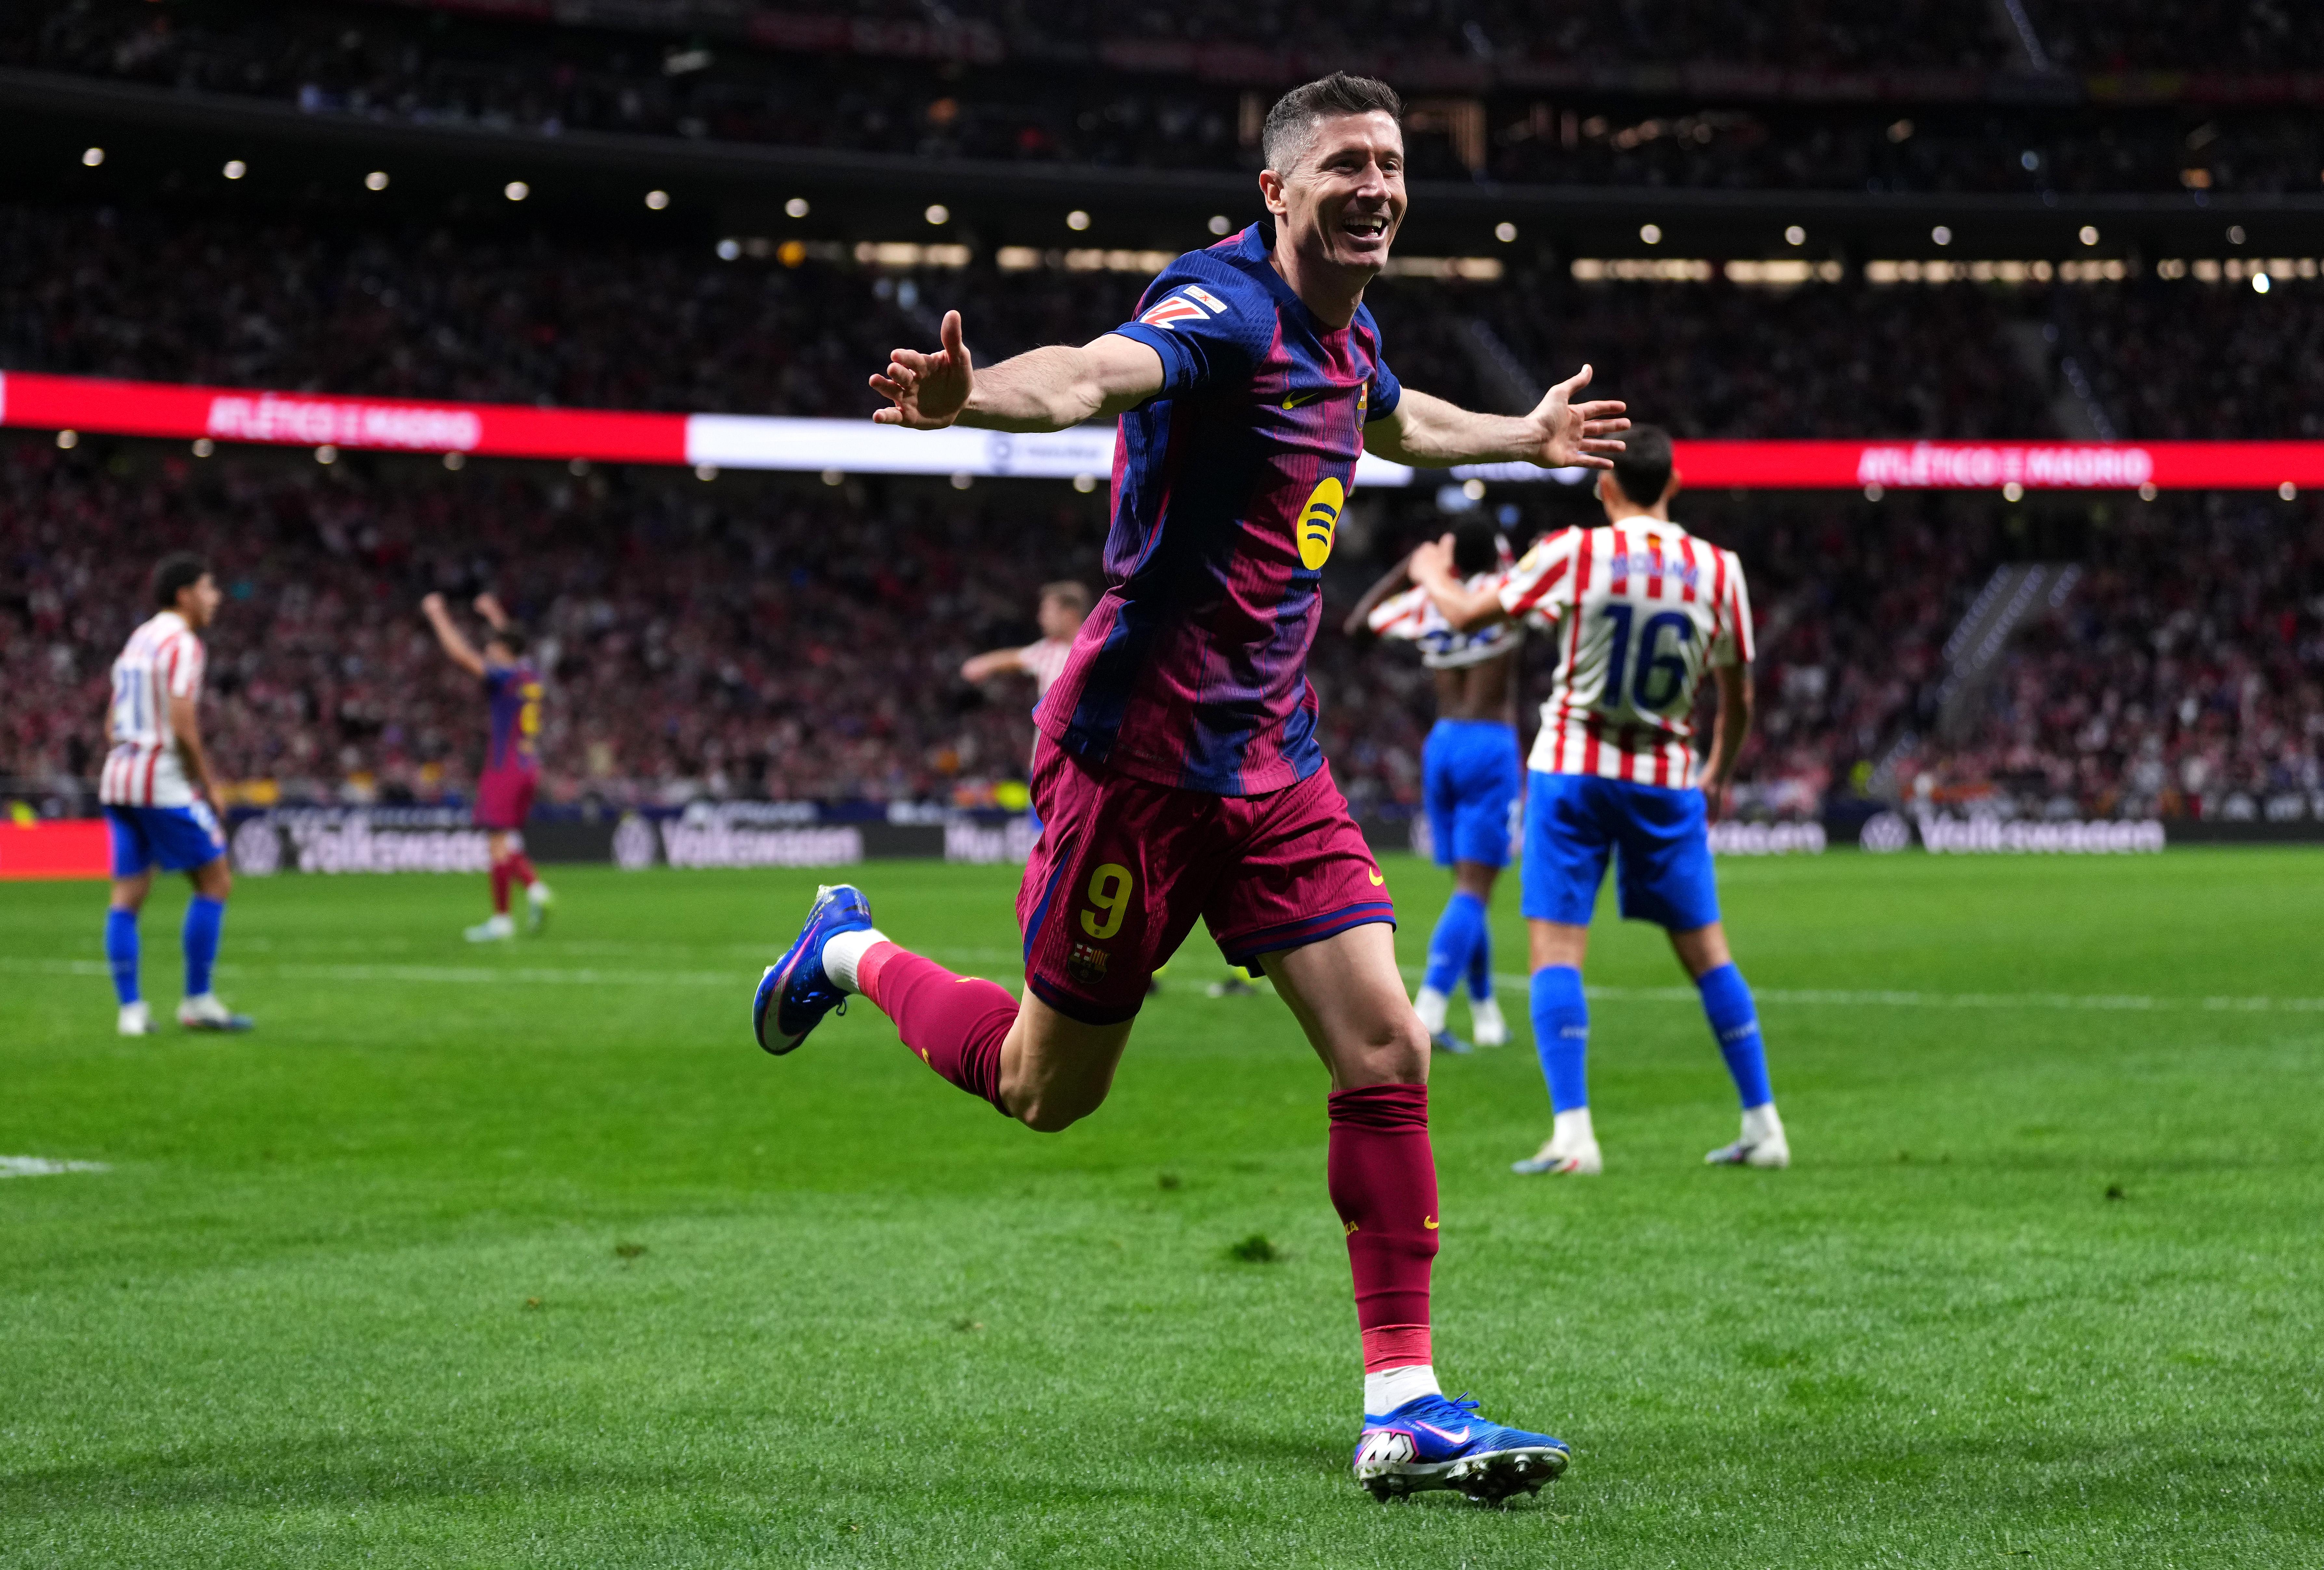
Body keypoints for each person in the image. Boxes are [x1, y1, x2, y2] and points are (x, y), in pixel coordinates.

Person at [753, 72, 1627, 1503]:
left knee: (1386, 1049)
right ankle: (845, 950)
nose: (1375, 184)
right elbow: (1087, 375)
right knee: (1045, 1088)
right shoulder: (1220, 309)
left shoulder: (1348, 333)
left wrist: (1521, 438)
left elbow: (1395, 421)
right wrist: (980, 399)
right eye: (1343, 164)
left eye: (1389, 162)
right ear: (1275, 191)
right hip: (1136, 768)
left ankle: (1402, 1406)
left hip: (1272, 761)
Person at [1406, 425, 1790, 1177]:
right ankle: (1763, 1123)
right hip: (1666, 776)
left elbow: (1466, 615)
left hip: (1573, 772)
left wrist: (1428, 573)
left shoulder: (1573, 552)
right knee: (1709, 954)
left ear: (1605, 487)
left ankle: (1574, 1134)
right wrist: (1716, 769)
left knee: (1556, 952)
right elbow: (1738, 695)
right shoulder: (1721, 569)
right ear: (1673, 484)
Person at [1344, 516, 1524, 1054]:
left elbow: (1358, 625)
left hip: (1441, 743)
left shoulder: (1429, 599)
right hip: (1489, 743)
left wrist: (1411, 568)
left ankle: (1486, 1011)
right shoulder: (1506, 591)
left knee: (1466, 888)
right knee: (1474, 889)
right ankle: (1429, 1009)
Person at [99, 552, 251, 1034]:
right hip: (159, 781)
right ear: (185, 595)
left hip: (118, 776)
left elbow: (111, 722)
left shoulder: (139, 638)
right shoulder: (183, 643)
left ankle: (131, 1012)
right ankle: (198, 1001)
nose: (217, 598)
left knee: (127, 896)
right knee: (216, 881)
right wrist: (207, 784)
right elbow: (183, 723)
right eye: (209, 588)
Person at [421, 592, 552, 942]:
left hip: (504, 766)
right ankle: (534, 889)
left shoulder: (503, 676)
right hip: (529, 765)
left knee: (496, 841)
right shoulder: (529, 673)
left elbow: (460, 655)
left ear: (504, 651)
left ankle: (504, 918)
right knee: (505, 839)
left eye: (493, 645)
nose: (488, 649)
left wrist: (437, 615)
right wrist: (495, 613)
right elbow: (513, 641)